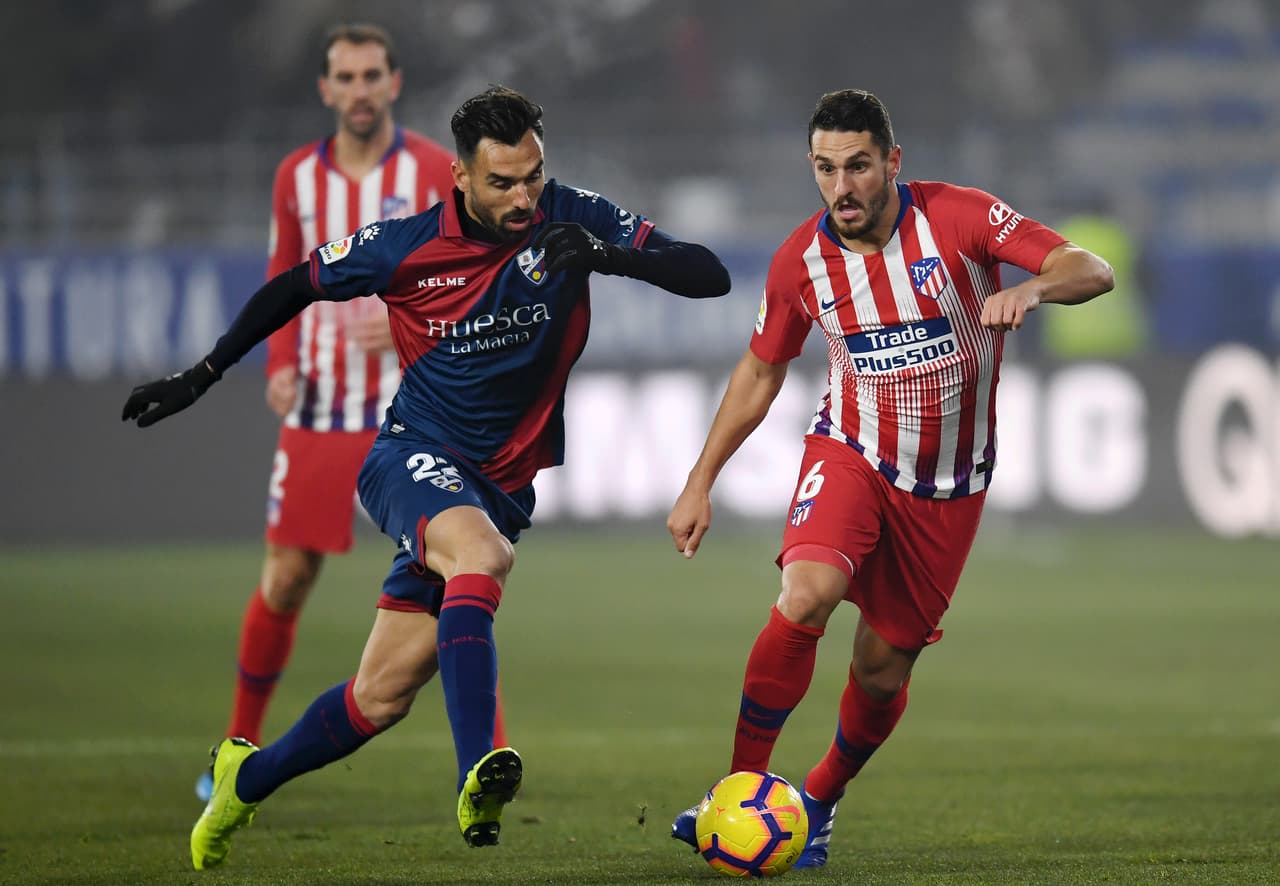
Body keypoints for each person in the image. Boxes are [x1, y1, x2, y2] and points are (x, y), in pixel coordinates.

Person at [122, 85, 731, 870]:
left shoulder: (570, 215)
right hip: (412, 458)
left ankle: (246, 779)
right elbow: (293, 287)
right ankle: (478, 767)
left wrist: (612, 256)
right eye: (504, 182)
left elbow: (708, 273)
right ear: (460, 177)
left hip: (500, 488)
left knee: (379, 696)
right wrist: (200, 375)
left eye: (533, 177)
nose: (524, 198)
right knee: (482, 558)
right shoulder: (403, 246)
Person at [667, 89, 1113, 869]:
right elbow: (762, 370)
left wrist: (1032, 287)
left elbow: (1093, 267)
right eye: (825, 168)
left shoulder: (959, 218)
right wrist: (700, 478)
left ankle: (820, 800)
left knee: (880, 671)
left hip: (948, 488)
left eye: (859, 166)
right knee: (805, 594)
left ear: (892, 163)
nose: (842, 186)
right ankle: (736, 791)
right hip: (851, 453)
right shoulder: (800, 261)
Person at [194, 23, 513, 803]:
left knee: (459, 571)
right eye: (347, 75)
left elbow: (480, 267)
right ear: (327, 89)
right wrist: (277, 361)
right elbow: (283, 272)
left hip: (421, 414)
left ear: (394, 84)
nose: (360, 88)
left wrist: (421, 318)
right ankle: (232, 750)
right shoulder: (297, 177)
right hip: (322, 410)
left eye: (373, 74)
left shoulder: (439, 169)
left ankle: (489, 754)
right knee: (287, 576)